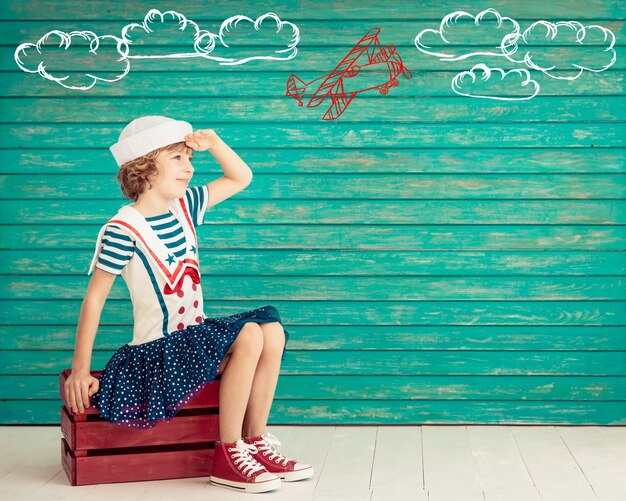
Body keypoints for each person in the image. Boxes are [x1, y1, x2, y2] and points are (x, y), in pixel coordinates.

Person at [63, 116, 313, 493]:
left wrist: (213, 144)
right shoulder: (123, 228)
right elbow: (94, 299)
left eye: (189, 158)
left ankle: (254, 441)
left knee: (271, 331)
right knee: (247, 334)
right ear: (145, 167)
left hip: (192, 340)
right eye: (178, 158)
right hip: (156, 353)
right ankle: (228, 454)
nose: (190, 167)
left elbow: (240, 177)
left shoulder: (185, 206)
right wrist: (80, 369)